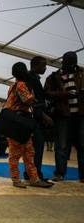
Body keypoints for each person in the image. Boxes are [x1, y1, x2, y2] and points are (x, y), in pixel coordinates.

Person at [6, 62, 52, 188]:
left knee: (28, 152)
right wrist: (34, 95)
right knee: (21, 153)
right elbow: (28, 100)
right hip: (20, 124)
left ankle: (32, 178)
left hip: (17, 124)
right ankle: (20, 179)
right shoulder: (20, 85)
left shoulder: (12, 86)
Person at [44, 51, 84, 183]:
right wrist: (65, 94)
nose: (73, 65)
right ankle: (60, 173)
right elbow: (47, 94)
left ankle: (83, 175)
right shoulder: (54, 77)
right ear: (63, 63)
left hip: (81, 114)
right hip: (62, 115)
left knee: (82, 145)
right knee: (61, 145)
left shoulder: (82, 74)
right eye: (69, 63)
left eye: (74, 62)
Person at [22, 56, 54, 183]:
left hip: (35, 118)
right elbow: (33, 101)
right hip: (33, 119)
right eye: (42, 66)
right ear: (34, 66)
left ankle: (31, 173)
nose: (45, 68)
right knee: (37, 146)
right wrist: (43, 115)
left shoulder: (34, 78)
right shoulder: (31, 78)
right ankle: (35, 175)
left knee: (35, 146)